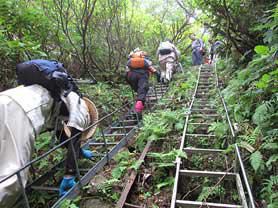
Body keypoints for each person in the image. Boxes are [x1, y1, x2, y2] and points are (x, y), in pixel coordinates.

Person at [15, 59, 96, 196]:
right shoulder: (81, 109)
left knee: (62, 133)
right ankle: (68, 179)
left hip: (42, 111)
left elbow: (61, 133)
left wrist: (79, 151)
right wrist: (69, 174)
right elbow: (74, 139)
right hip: (33, 114)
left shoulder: (63, 102)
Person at [126, 49, 159, 118]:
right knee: (142, 92)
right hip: (142, 75)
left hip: (131, 76)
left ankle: (137, 107)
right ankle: (138, 111)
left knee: (139, 92)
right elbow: (151, 68)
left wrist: (128, 81)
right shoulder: (144, 60)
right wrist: (158, 74)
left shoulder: (131, 59)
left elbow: (127, 71)